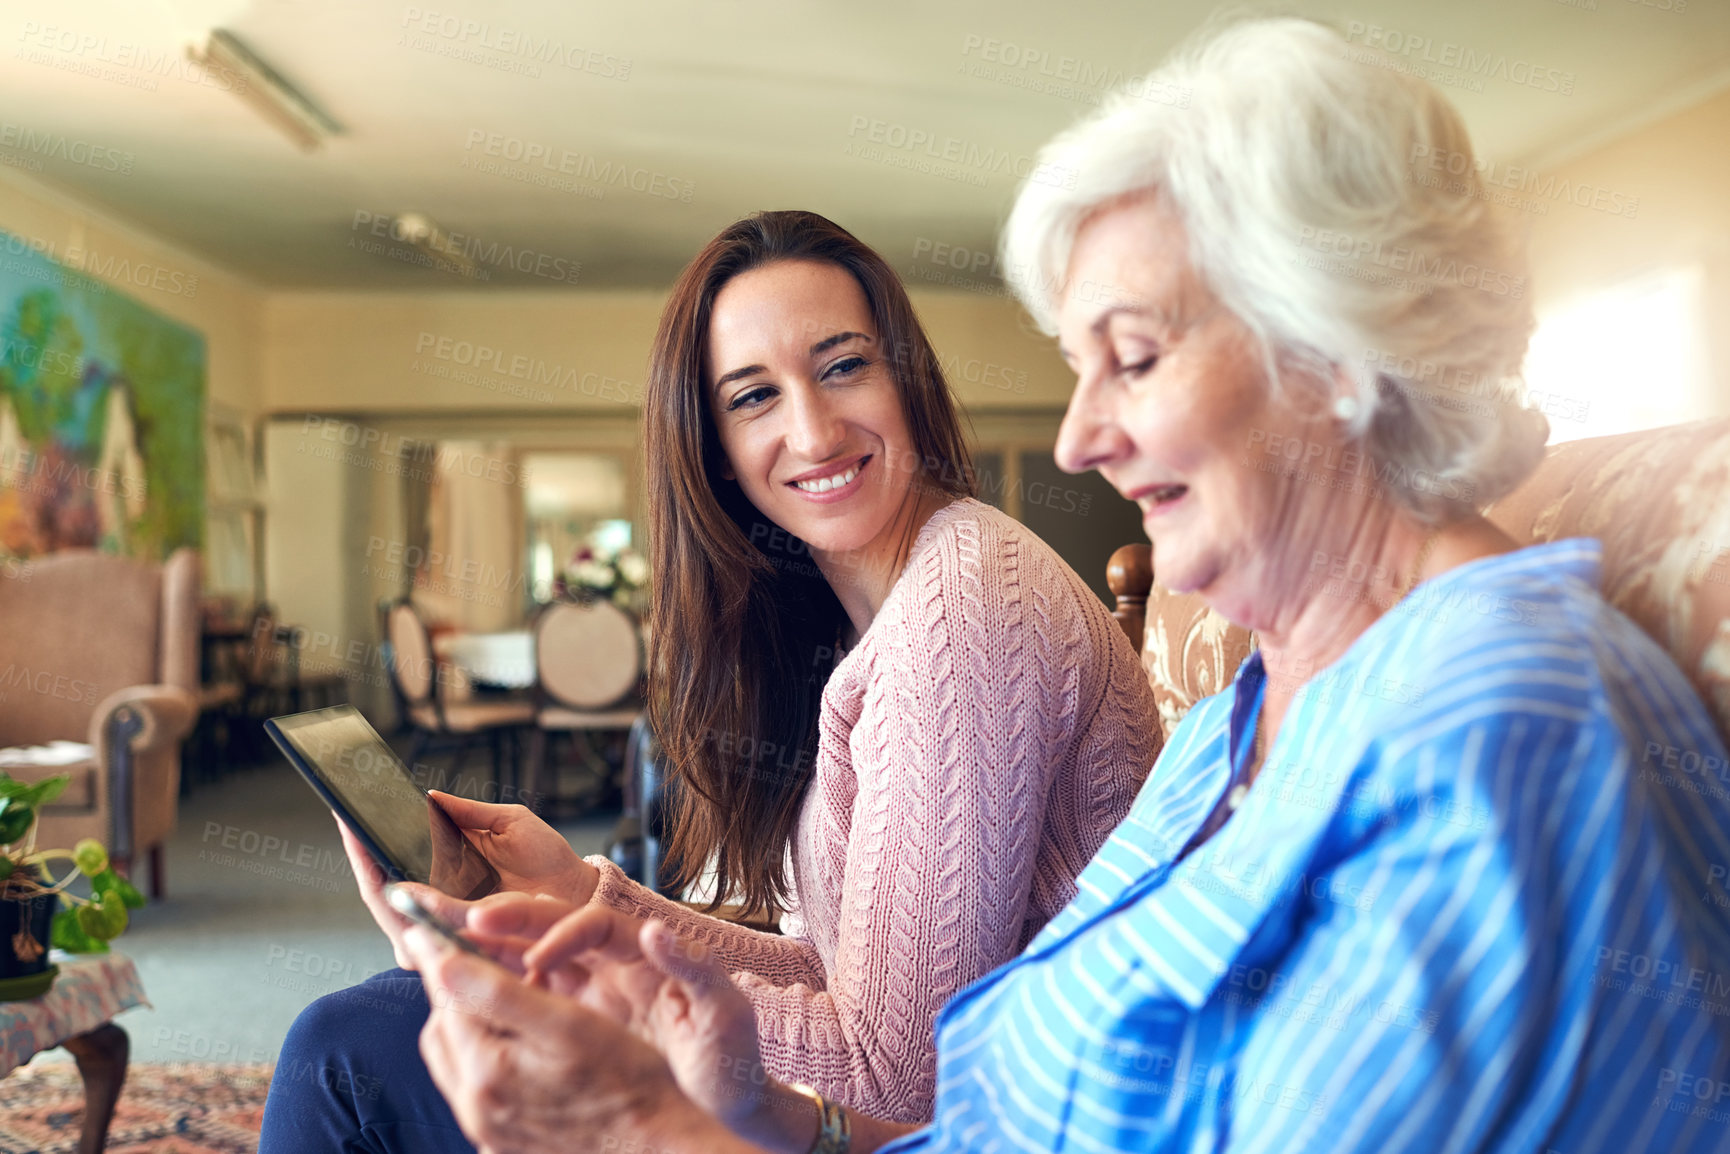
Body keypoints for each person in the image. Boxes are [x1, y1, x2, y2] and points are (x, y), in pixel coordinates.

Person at [391, 16, 1730, 1154]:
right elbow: (970, 1088)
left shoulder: (1502, 743)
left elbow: (906, 1058)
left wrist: (653, 1130)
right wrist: (717, 1067)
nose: (1079, 438)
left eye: (1131, 357)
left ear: (1335, 349)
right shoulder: (1238, 721)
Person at [259, 211, 1160, 1151]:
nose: (812, 431)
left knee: (350, 1050)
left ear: (906, 377)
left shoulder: (961, 608)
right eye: (753, 397)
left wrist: (605, 983)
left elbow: (896, 1082)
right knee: (389, 1018)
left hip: (1004, 1128)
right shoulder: (883, 608)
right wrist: (586, 902)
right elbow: (841, 981)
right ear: (714, 448)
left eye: (844, 365)